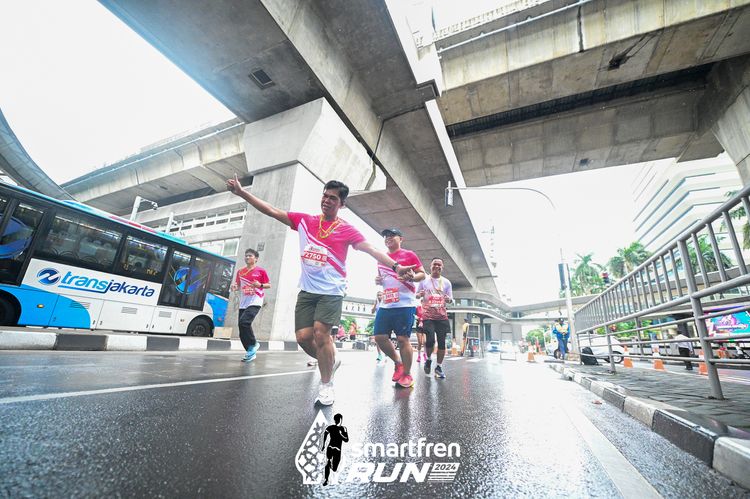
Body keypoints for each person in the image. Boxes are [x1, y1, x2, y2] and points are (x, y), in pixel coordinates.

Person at [226, 175, 415, 405]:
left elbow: (372, 249)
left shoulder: (347, 230)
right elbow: (272, 211)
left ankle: (326, 386)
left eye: (333, 198)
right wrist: (242, 193)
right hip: (307, 291)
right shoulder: (305, 221)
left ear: (342, 204)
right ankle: (331, 359)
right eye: (325, 196)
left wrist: (396, 266)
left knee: (321, 334)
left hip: (332, 291)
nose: (327, 200)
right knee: (303, 338)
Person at [373, 227, 425, 388]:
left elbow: (422, 274)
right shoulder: (382, 258)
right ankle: (398, 363)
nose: (388, 238)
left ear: (401, 239)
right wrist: (378, 280)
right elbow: (383, 278)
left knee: (403, 339)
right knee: (379, 337)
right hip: (386, 303)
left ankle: (407, 375)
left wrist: (413, 277)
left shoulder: (409, 255)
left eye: (392, 235)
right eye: (386, 236)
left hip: (405, 303)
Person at [230, 248, 270, 362]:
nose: (247, 257)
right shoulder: (240, 271)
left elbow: (268, 285)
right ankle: (250, 351)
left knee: (244, 322)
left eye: (250, 256)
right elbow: (237, 285)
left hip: (256, 300)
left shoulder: (261, 271)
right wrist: (234, 287)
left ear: (256, 259)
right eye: (246, 256)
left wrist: (259, 285)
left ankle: (253, 344)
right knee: (241, 328)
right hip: (244, 302)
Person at [418, 257, 453, 379]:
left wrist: (449, 299)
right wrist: (419, 294)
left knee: (442, 342)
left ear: (442, 267)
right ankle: (428, 359)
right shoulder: (424, 280)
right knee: (430, 340)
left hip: (442, 316)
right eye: (434, 264)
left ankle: (439, 367)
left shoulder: (447, 282)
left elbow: (451, 299)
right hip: (428, 315)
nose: (437, 266)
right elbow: (416, 295)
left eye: (439, 265)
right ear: (430, 266)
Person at [321, 413, 349, 486]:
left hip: (332, 448)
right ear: (339, 420)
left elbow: (346, 440)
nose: (339, 421)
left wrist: (323, 445)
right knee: (330, 464)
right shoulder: (335, 428)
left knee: (333, 468)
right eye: (339, 420)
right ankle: (326, 479)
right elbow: (346, 440)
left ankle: (329, 467)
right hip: (334, 449)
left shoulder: (340, 428)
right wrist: (323, 444)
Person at [371, 291, 385, 362]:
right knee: (377, 339)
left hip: (385, 321)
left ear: (383, 296)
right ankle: (379, 355)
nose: (379, 296)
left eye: (380, 295)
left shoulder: (385, 302)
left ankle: (386, 353)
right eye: (378, 295)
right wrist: (375, 304)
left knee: (386, 338)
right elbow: (372, 311)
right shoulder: (376, 303)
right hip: (377, 321)